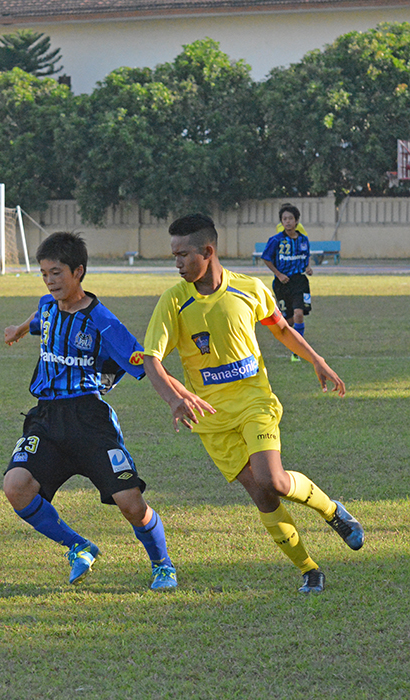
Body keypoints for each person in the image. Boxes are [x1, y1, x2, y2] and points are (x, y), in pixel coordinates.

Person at [142, 213, 364, 594]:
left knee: (272, 480)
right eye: (173, 256)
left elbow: (281, 328)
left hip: (254, 402)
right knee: (260, 493)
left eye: (182, 255)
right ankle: (309, 569)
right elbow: (151, 359)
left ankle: (332, 511)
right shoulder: (173, 302)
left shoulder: (249, 289)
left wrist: (317, 360)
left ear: (207, 252)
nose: (176, 263)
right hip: (210, 418)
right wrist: (173, 399)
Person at [2, 231, 177, 590]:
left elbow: (142, 361)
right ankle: (78, 546)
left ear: (78, 271)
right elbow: (39, 317)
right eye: (44, 273)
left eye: (57, 273)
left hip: (89, 419)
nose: (50, 281)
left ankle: (163, 565)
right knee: (16, 486)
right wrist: (19, 330)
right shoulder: (50, 305)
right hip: (47, 418)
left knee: (130, 502)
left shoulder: (103, 321)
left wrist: (179, 397)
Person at [261, 204, 312, 362]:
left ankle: (298, 351)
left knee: (299, 314)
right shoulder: (276, 240)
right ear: (281, 222)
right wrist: (279, 274)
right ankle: (292, 341)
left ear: (297, 221)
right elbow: (266, 258)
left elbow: (305, 257)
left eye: (290, 218)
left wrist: (308, 267)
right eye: (285, 219)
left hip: (299, 281)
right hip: (282, 283)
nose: (288, 221)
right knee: (287, 320)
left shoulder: (303, 240)